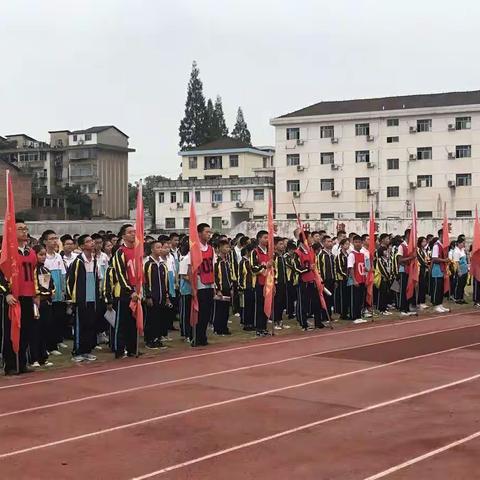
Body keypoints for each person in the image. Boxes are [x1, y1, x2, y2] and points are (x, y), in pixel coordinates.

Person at [2, 219, 37, 375]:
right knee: (11, 331)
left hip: (28, 296)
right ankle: (10, 364)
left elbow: (35, 275)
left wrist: (36, 294)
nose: (24, 231)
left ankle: (22, 363)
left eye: (25, 228)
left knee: (27, 330)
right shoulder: (7, 253)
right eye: (20, 229)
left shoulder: (31, 252)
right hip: (14, 297)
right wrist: (6, 292)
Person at [66, 235, 99, 362]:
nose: (92, 243)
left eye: (92, 241)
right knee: (80, 325)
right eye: (88, 241)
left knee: (90, 325)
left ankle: (87, 350)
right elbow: (70, 280)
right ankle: (77, 351)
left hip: (92, 298)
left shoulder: (94, 260)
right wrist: (72, 298)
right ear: (81, 246)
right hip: (81, 299)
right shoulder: (78, 261)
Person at [112, 224, 140, 358]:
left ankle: (132, 348)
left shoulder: (138, 250)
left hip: (137, 290)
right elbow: (120, 274)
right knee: (122, 322)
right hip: (124, 292)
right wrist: (130, 291)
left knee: (133, 321)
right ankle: (119, 349)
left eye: (134, 232)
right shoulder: (120, 252)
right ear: (123, 236)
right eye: (130, 232)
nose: (133, 234)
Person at [42, 229, 68, 354]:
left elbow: (63, 274)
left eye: (55, 238)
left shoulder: (58, 256)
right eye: (51, 239)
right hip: (47, 293)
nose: (54, 241)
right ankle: (48, 346)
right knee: (48, 320)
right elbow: (43, 278)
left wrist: (63, 290)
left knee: (58, 317)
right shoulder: (43, 257)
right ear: (45, 241)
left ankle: (56, 342)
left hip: (58, 293)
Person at [144, 239, 170, 349]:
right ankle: (150, 340)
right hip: (152, 297)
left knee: (160, 318)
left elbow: (166, 282)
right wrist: (148, 296)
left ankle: (158, 338)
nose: (160, 249)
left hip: (162, 297)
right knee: (151, 318)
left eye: (161, 247)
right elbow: (145, 282)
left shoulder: (163, 265)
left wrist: (167, 296)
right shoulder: (148, 264)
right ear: (152, 249)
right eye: (157, 247)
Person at [31, 245, 55, 368]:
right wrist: (38, 295)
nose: (43, 257)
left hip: (45, 303)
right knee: (35, 331)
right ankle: (34, 357)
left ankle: (43, 357)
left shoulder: (45, 270)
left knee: (44, 330)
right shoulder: (31, 270)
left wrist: (48, 295)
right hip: (35, 303)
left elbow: (48, 287)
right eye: (40, 254)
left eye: (44, 254)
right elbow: (35, 288)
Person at [250, 230, 272, 336]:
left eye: (268, 238)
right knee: (259, 306)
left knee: (267, 305)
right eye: (265, 237)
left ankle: (264, 327)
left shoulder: (269, 251)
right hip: (259, 283)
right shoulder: (255, 252)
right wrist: (264, 266)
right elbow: (253, 268)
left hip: (268, 283)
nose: (267, 240)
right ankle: (258, 328)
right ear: (259, 239)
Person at [213, 239, 233, 335]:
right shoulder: (216, 261)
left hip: (227, 288)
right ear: (220, 248)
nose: (228, 249)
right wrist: (217, 290)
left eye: (228, 247)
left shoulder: (227, 261)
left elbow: (230, 274)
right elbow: (215, 276)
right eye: (226, 247)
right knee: (219, 309)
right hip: (220, 289)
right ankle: (218, 328)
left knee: (226, 310)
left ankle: (224, 327)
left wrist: (231, 286)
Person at [431, 229, 451, 313]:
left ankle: (440, 304)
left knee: (441, 288)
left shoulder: (443, 246)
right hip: (437, 270)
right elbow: (434, 259)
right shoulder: (436, 245)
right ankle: (436, 305)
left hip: (442, 270)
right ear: (440, 235)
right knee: (437, 288)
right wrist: (444, 260)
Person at [348, 235, 367, 323]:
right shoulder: (352, 255)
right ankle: (354, 316)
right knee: (354, 299)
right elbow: (350, 268)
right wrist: (354, 280)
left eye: (359, 242)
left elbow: (363, 267)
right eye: (356, 242)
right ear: (353, 243)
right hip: (355, 280)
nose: (358, 244)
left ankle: (359, 315)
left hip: (362, 279)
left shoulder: (362, 254)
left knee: (360, 299)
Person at [317, 235, 335, 323]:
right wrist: (321, 280)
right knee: (324, 298)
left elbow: (334, 268)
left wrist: (335, 279)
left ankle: (329, 315)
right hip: (324, 280)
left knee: (330, 298)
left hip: (331, 279)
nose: (330, 243)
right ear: (323, 243)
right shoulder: (321, 255)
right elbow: (319, 268)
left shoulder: (332, 255)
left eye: (331, 241)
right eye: (328, 241)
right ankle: (324, 316)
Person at [238, 242, 256, 331]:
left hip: (252, 286)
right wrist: (241, 286)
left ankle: (251, 322)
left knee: (252, 305)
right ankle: (246, 323)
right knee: (246, 306)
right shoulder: (243, 262)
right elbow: (241, 275)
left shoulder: (250, 262)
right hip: (245, 287)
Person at [273, 237, 289, 330]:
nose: (283, 246)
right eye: (280, 244)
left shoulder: (282, 256)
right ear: (275, 246)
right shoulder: (274, 257)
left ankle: (280, 321)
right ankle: (275, 321)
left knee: (282, 302)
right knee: (277, 302)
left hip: (283, 282)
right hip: (276, 282)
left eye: (283, 244)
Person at [335, 238, 350, 320]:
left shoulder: (348, 255)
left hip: (348, 278)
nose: (347, 246)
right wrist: (346, 275)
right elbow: (340, 268)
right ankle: (342, 313)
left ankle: (346, 312)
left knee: (347, 296)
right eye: (346, 244)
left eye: (348, 244)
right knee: (342, 296)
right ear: (341, 245)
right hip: (342, 279)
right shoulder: (339, 256)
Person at [452, 236, 468, 303]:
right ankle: (457, 298)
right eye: (463, 243)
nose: (464, 245)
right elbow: (456, 262)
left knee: (463, 285)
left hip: (465, 270)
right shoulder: (456, 251)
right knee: (459, 285)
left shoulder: (462, 250)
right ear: (459, 243)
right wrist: (459, 271)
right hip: (460, 270)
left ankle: (461, 298)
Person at [416, 237, 430, 309]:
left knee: (424, 286)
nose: (425, 243)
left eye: (425, 241)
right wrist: (426, 264)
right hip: (420, 269)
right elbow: (420, 259)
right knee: (421, 285)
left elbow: (427, 258)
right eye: (423, 241)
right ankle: (420, 302)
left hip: (425, 269)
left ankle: (422, 301)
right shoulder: (418, 250)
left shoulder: (424, 250)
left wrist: (428, 263)